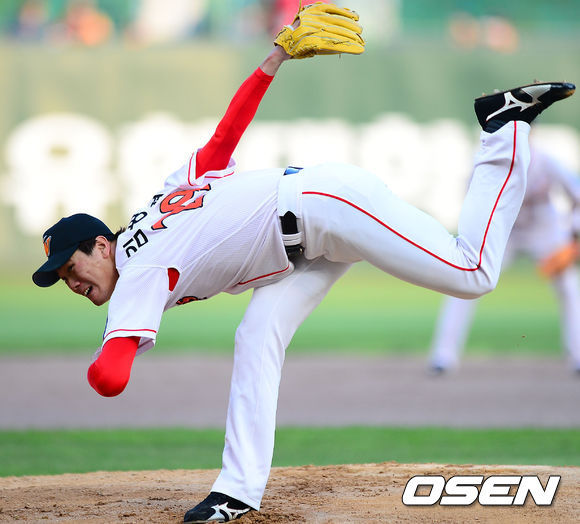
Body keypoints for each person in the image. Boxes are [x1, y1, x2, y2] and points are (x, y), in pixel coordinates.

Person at [32, 22, 575, 524]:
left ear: (101, 244)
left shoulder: (137, 268)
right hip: (305, 240)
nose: (72, 282)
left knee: (472, 272)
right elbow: (224, 139)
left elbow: (110, 379)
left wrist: (104, 350)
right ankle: (236, 491)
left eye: (71, 266)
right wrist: (272, 59)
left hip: (325, 209)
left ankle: (502, 128)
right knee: (256, 336)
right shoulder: (158, 206)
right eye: (61, 279)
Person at [429, 144, 580, 374]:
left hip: (543, 232)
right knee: (464, 281)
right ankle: (443, 356)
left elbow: (577, 194)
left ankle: (578, 354)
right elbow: (472, 200)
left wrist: (574, 236)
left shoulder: (545, 161)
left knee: (569, 287)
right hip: (504, 232)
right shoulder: (491, 160)